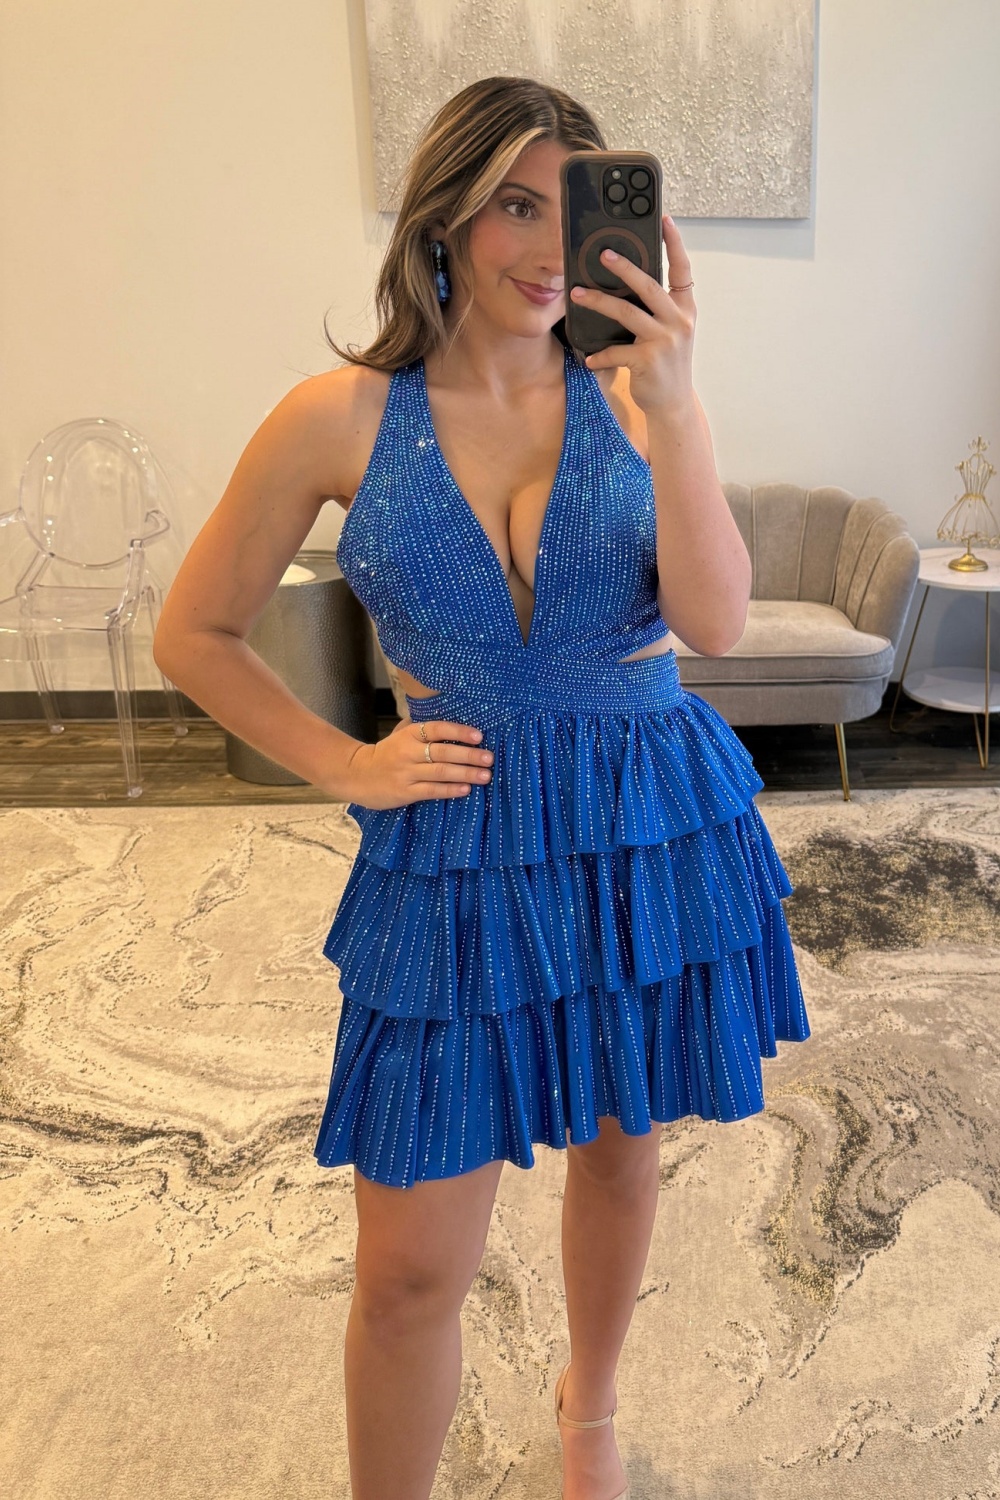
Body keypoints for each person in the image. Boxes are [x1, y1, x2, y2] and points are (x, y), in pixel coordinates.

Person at [154, 74, 810, 1500]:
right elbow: (193, 632)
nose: (551, 247)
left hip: (639, 824)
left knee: (620, 1156)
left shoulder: (638, 397)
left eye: (574, 209)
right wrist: (348, 763)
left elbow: (716, 623)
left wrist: (680, 404)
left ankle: (591, 1410)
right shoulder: (337, 417)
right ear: (443, 214)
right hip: (453, 844)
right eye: (517, 204)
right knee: (405, 1273)